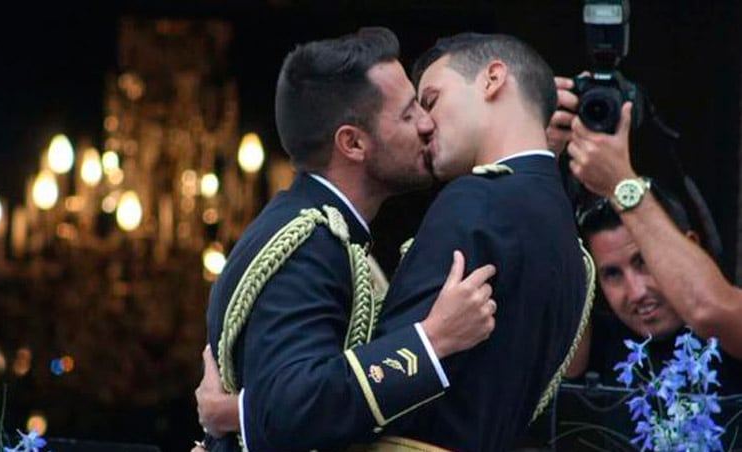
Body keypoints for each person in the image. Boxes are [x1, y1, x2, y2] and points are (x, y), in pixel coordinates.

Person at [200, 27, 499, 452]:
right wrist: (434, 339)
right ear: (353, 143)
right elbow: (294, 409)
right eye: (409, 112)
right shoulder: (305, 243)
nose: (428, 123)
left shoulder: (329, 233)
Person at [360, 32, 593, 451]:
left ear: (493, 79)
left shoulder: (477, 200)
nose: (424, 125)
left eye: (430, 100)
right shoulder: (564, 231)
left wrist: (256, 409)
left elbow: (386, 393)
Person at [565, 187, 742, 393]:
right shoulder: (593, 347)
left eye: (644, 262)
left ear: (692, 246)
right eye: (613, 274)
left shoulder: (730, 331)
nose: (636, 292)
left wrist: (620, 178)